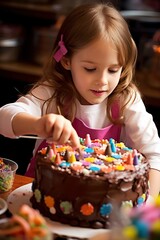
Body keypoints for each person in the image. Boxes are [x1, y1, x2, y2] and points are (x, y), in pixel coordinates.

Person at [0, 3, 160, 200]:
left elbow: (154, 155)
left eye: (113, 70)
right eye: (90, 69)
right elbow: (3, 118)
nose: (102, 80)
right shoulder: (52, 92)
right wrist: (37, 124)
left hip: (103, 212)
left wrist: (148, 205)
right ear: (67, 60)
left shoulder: (126, 101)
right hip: (41, 201)